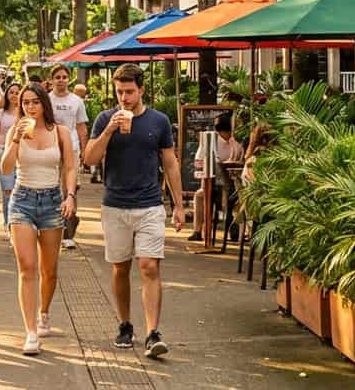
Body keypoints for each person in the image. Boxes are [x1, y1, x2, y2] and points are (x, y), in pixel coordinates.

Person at [83, 63, 185, 360]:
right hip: (115, 205)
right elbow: (89, 159)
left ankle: (153, 333)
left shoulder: (159, 121)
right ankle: (125, 324)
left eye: (129, 91)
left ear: (141, 90)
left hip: (150, 204)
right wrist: (109, 131)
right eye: (119, 92)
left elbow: (170, 163)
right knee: (120, 268)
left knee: (149, 266)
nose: (124, 98)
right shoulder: (105, 119)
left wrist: (179, 205)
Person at [0, 83, 78, 355]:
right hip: (22, 199)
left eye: (35, 102)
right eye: (25, 102)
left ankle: (44, 312)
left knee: (49, 270)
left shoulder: (60, 132)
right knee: (27, 267)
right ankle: (31, 332)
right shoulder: (15, 130)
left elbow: (70, 167)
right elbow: (5, 168)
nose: (30, 107)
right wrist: (16, 140)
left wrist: (70, 196)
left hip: (53, 201)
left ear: (44, 104)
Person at [47, 66, 89, 250]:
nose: (61, 80)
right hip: (50, 147)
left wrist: (85, 150)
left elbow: (81, 127)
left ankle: (68, 231)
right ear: (51, 80)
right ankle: (52, 225)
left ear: (69, 79)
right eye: (57, 77)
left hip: (71, 149)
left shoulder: (76, 101)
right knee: (51, 187)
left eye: (64, 77)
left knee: (69, 189)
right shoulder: (46, 99)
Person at [188, 113, 244, 242]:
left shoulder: (235, 144)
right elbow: (199, 161)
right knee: (200, 195)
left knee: (232, 196)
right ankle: (198, 231)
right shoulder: (210, 141)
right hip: (214, 184)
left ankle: (232, 228)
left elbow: (240, 161)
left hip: (230, 186)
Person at [0, 82, 23, 224]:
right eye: (11, 92)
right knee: (8, 191)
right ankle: (9, 224)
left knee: (20, 191)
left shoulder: (25, 114)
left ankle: (18, 222)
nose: (14, 95)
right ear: (6, 94)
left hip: (21, 154)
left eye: (17, 92)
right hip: (3, 152)